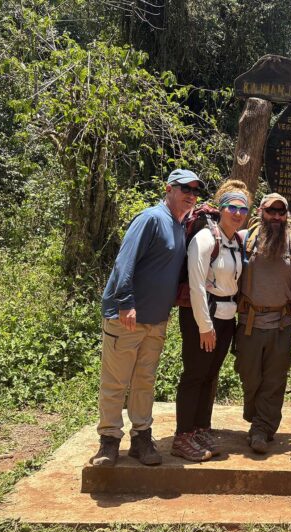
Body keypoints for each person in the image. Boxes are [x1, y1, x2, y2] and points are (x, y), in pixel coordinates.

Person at [91, 168, 201, 467]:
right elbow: (123, 263)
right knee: (115, 382)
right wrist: (125, 302)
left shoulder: (180, 226)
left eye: (194, 191)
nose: (190, 195)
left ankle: (141, 439)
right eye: (184, 189)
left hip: (156, 320)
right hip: (126, 317)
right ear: (169, 189)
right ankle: (108, 442)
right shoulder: (150, 218)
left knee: (144, 382)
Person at [171, 181, 248, 462]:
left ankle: (200, 429)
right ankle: (182, 437)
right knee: (194, 374)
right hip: (202, 318)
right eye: (232, 207)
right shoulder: (205, 239)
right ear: (221, 209)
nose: (237, 213)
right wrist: (205, 326)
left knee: (210, 374)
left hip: (226, 318)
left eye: (242, 208)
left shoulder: (237, 241)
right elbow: (196, 286)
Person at [235, 192, 291, 454]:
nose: (276, 217)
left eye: (281, 212)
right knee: (250, 377)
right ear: (260, 212)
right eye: (271, 212)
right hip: (249, 323)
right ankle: (256, 420)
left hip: (281, 325)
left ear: (286, 215)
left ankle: (262, 429)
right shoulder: (244, 240)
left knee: (274, 380)